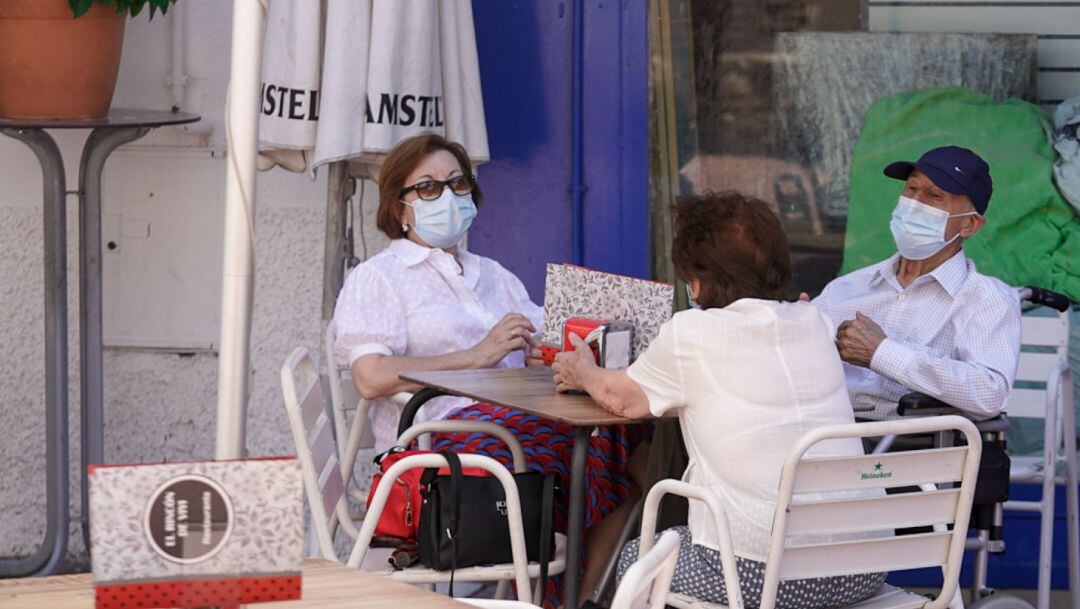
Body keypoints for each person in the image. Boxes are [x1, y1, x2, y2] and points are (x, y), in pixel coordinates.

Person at [331, 133, 648, 607]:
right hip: (441, 445)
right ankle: (560, 596)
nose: (448, 195)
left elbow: (547, 337)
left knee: (626, 436)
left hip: (512, 428)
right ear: (399, 208)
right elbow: (370, 376)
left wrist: (578, 346)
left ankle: (577, 599)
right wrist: (474, 356)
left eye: (457, 183)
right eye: (429, 188)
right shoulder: (379, 277)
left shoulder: (492, 273)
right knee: (597, 448)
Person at [552, 191, 885, 609]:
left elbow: (622, 401)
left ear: (696, 279)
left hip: (767, 578)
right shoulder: (815, 322)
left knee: (639, 558)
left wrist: (584, 371)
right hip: (865, 566)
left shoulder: (692, 332)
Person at [811, 146, 1021, 420]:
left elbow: (989, 393)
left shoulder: (987, 299)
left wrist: (882, 352)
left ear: (968, 225)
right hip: (823, 434)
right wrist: (796, 327)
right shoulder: (847, 287)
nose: (915, 204)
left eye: (934, 196)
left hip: (909, 450)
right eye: (911, 189)